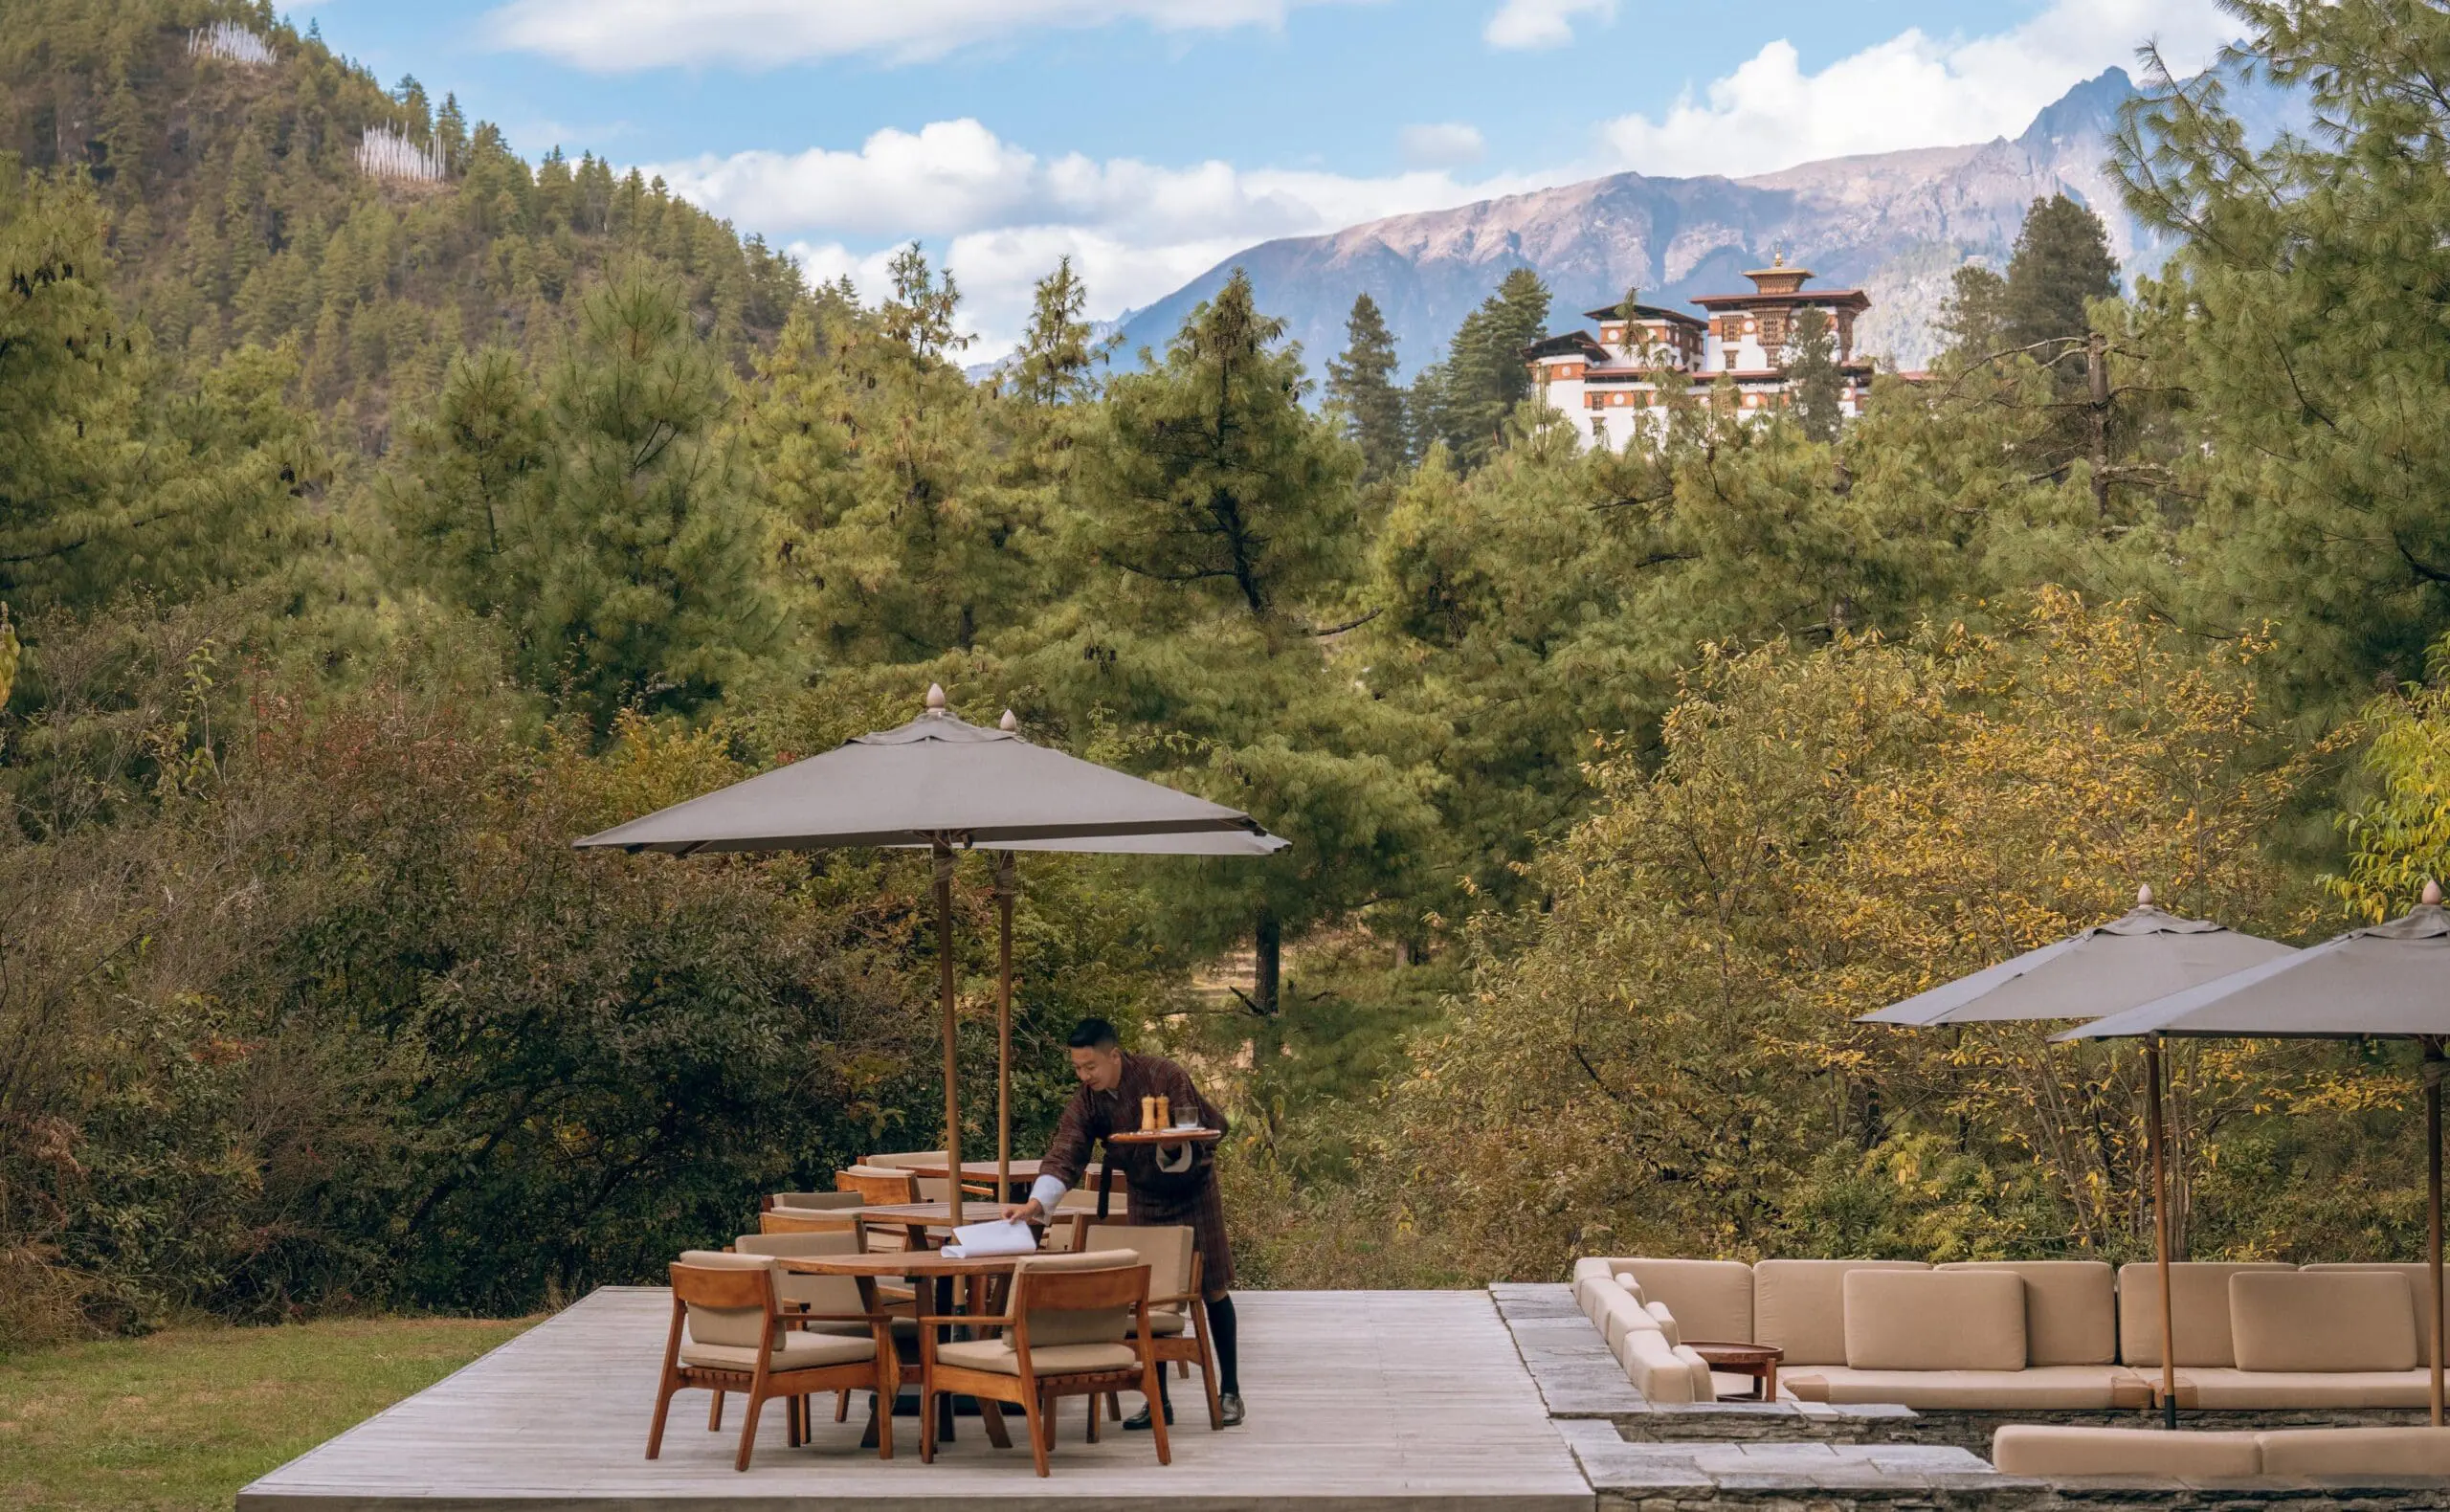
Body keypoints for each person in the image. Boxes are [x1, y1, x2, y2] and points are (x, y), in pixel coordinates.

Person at [1004, 1017, 1244, 1429]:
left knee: (1212, 1286)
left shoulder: (1164, 1074)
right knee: (1147, 1294)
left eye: (1090, 1066)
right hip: (1145, 1194)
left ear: (1114, 1056)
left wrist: (1170, 1146)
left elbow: (1193, 1133)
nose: (1084, 1076)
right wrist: (1034, 1205)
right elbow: (1067, 1150)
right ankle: (1158, 1401)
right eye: (1078, 1068)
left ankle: (1231, 1392)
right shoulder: (1089, 1100)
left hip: (1193, 1188)